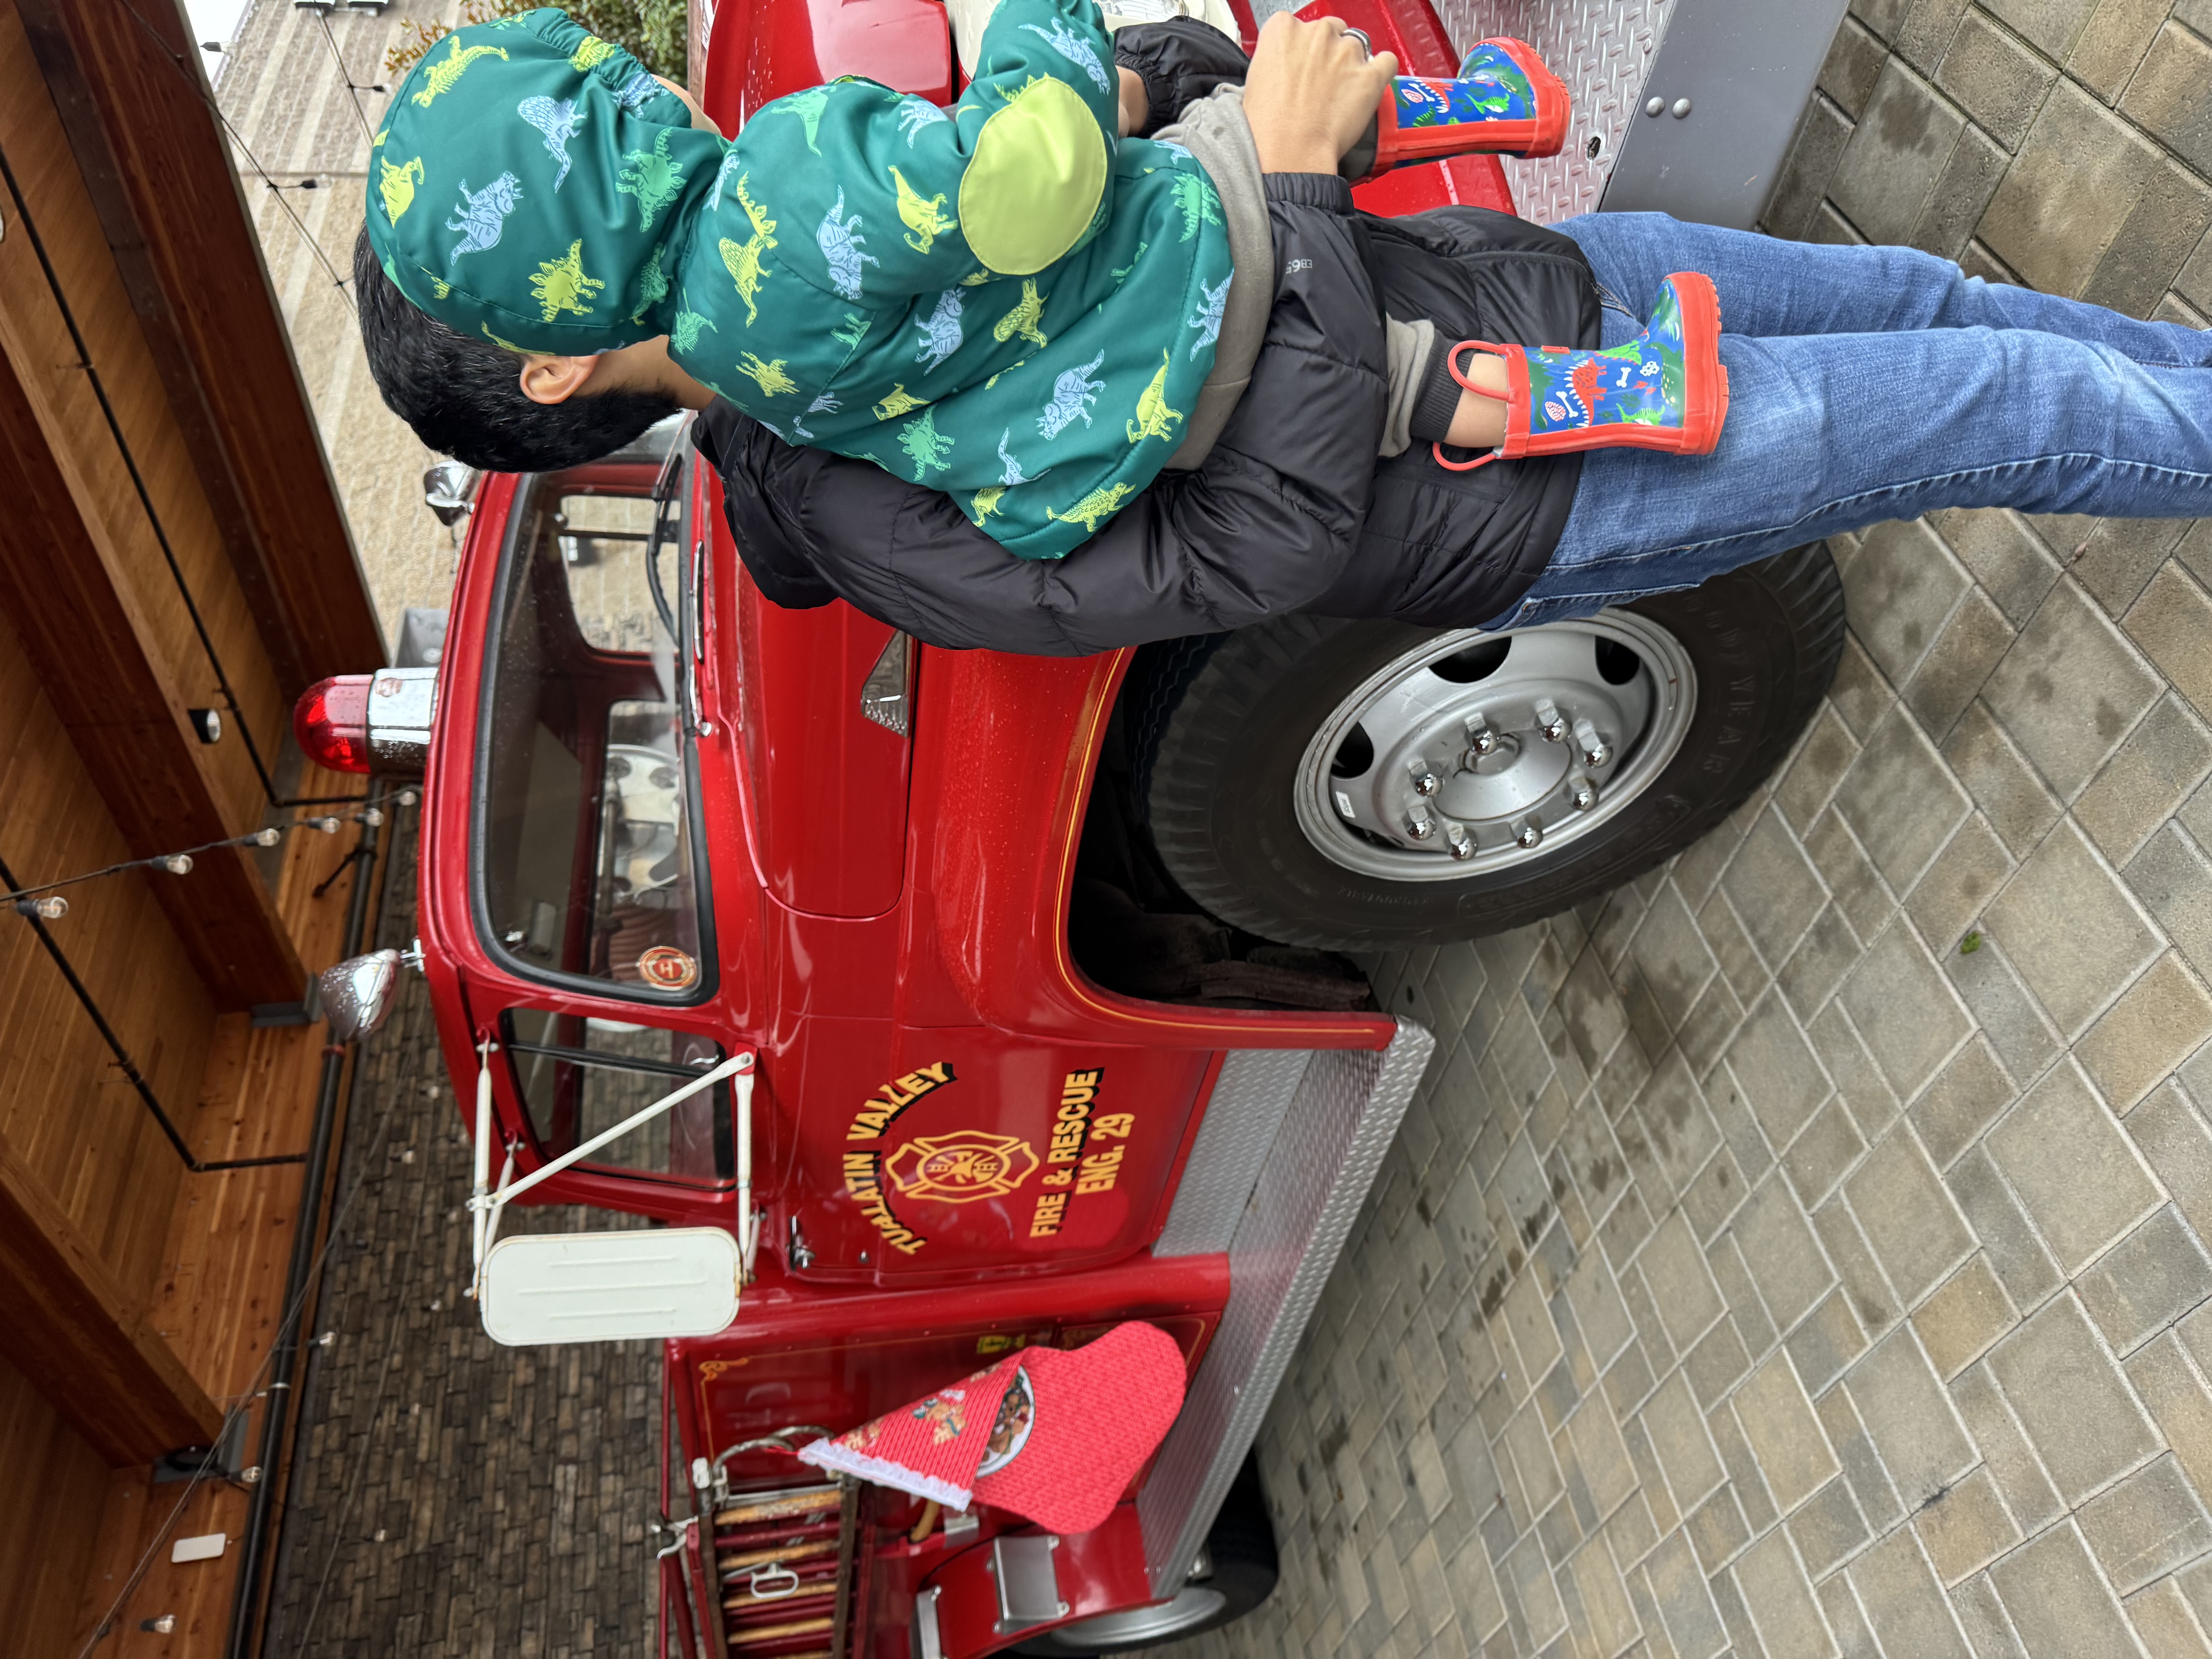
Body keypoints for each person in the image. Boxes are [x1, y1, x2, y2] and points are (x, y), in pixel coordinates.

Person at [357, 0, 1581, 559]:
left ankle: (1591, 365)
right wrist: (1034, 24)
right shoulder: (784, 179)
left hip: (1197, 393)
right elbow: (1034, 170)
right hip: (1261, 329)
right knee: (1257, 141)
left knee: (1409, 365)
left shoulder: (744, 366)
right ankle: (1487, 122)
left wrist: (1133, 86)